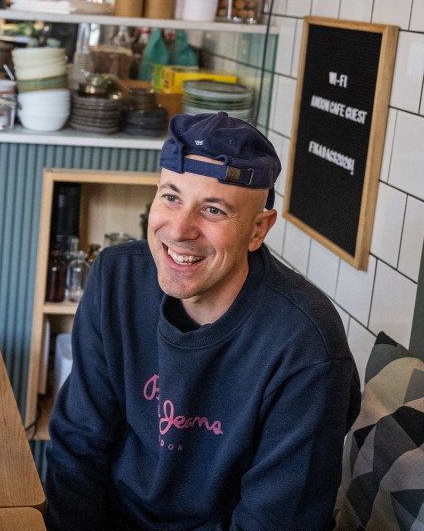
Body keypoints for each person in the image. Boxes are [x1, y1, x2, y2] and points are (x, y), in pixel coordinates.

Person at [45, 112, 361, 531]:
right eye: (171, 197)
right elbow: (78, 447)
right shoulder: (116, 280)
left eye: (213, 210)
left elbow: (276, 522)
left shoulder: (307, 347)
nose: (179, 230)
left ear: (258, 230)